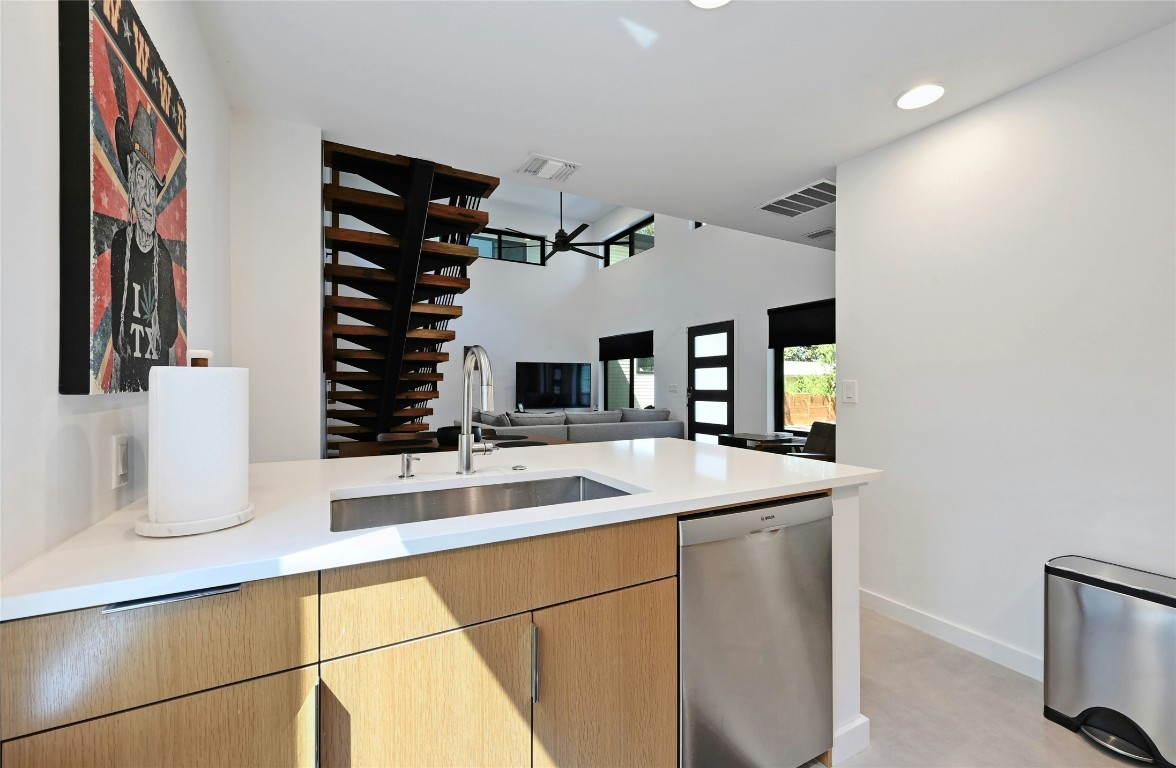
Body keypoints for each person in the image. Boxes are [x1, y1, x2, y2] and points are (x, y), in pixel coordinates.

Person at [110, 104, 177, 392]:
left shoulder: (163, 258)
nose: (148, 199)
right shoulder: (120, 245)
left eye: (152, 187)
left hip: (158, 388)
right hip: (128, 380)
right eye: (141, 183)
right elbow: (117, 333)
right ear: (132, 193)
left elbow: (171, 333)